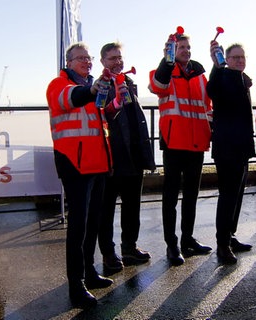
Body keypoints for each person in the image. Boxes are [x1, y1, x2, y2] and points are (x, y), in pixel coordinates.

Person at [46, 42, 118, 307]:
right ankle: (76, 285)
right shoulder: (58, 84)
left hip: (97, 163)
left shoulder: (93, 86)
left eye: (88, 58)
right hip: (75, 165)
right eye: (81, 58)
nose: (87, 62)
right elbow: (70, 98)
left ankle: (89, 272)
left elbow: (99, 121)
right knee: (78, 227)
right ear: (68, 62)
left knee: (92, 223)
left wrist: (114, 103)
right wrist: (91, 89)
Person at [149, 32, 213, 266]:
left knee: (192, 196)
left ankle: (188, 239)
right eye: (181, 47)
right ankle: (172, 245)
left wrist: (211, 128)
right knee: (170, 197)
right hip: (174, 143)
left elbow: (207, 105)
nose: (185, 50)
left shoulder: (199, 75)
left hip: (196, 143)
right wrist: (166, 60)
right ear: (172, 51)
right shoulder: (165, 72)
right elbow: (156, 86)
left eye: (187, 46)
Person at [97, 42, 156, 273]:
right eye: (112, 58)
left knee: (132, 206)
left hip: (133, 155)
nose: (117, 62)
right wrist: (115, 103)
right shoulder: (101, 84)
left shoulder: (128, 82)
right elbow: (100, 111)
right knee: (106, 209)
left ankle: (129, 248)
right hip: (112, 157)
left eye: (119, 58)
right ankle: (109, 254)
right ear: (103, 61)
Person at [206, 42, 255, 264]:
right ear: (227, 59)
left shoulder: (243, 80)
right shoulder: (223, 76)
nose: (240, 60)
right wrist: (217, 66)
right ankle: (222, 244)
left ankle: (230, 236)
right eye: (235, 57)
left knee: (237, 195)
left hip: (242, 147)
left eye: (242, 57)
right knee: (227, 196)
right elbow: (212, 89)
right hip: (227, 148)